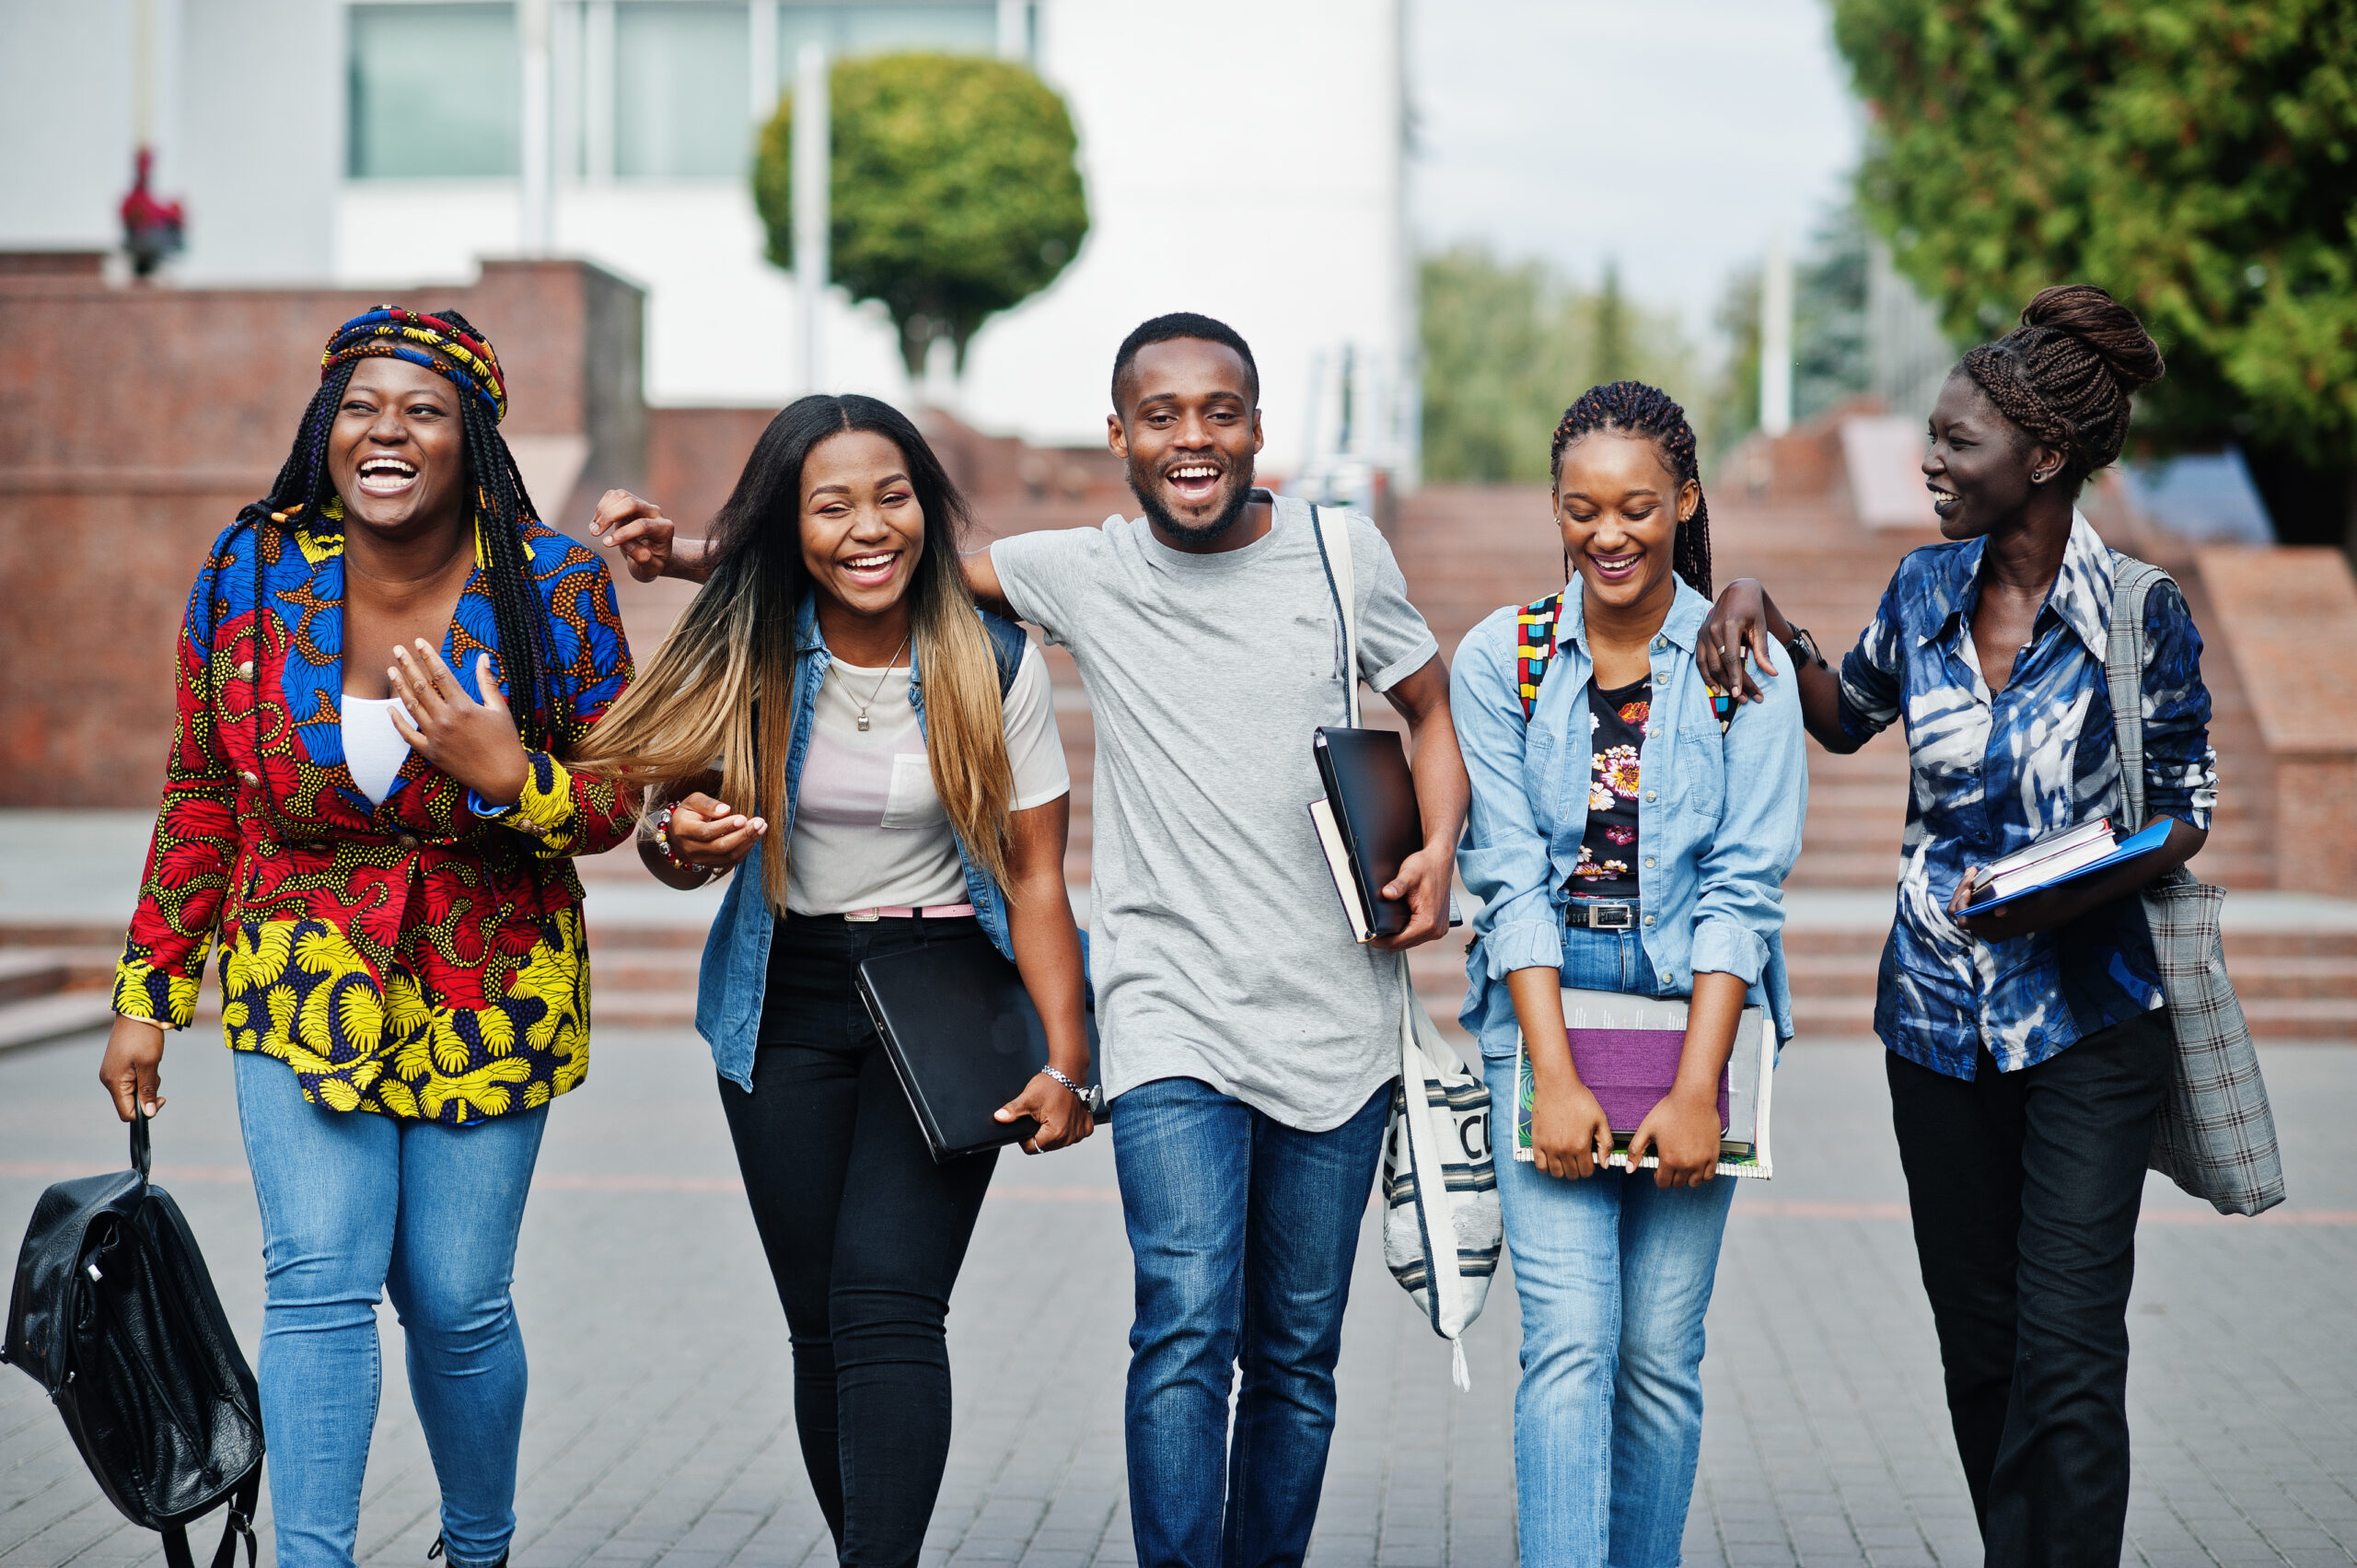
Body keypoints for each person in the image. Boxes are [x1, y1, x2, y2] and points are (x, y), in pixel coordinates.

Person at [97, 308, 637, 1568]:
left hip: (489, 981)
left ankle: (479, 1545)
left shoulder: (551, 585)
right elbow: (202, 789)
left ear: (474, 438)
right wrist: (150, 987)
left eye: (424, 409)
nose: (386, 431)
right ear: (325, 427)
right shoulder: (249, 567)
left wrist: (515, 773)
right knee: (319, 1283)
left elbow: (616, 798)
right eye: (360, 406)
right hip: (300, 973)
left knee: (455, 1303)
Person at [1697, 285, 2211, 1567]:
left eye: (1957, 441)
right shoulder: (1925, 586)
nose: (1931, 460)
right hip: (1935, 1021)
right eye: (1931, 435)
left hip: (2091, 1015)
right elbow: (1842, 712)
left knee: (2072, 1350)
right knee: (1980, 1343)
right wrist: (1756, 596)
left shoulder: (2139, 610)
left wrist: (2055, 886)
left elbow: (2186, 812)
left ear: (2043, 458)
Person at [972, 314, 1465, 1566]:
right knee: (1184, 1320)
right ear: (1120, 435)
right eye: (1163, 413)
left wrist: (1441, 843)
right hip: (1169, 1010)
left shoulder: (1338, 553)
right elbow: (883, 551)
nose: (1193, 436)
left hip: (1336, 1020)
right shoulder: (1085, 571)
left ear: (1256, 427)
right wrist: (697, 551)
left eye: (1221, 411)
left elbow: (1428, 704)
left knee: (1295, 1351)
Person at [573, 394, 1092, 1568]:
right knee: (820, 1330)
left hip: (945, 990)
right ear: (787, 525)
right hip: (786, 992)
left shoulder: (989, 655)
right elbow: (661, 829)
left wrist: (1070, 1059)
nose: (871, 526)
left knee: (887, 1307)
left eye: (894, 495)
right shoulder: (745, 644)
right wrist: (679, 844)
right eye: (833, 503)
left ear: (930, 508)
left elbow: (1039, 877)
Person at [1451, 382, 1805, 1565]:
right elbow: (1504, 878)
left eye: (1638, 508)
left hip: (1693, 1007)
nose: (1610, 534)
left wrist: (1696, 1088)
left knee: (1658, 1355)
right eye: (1583, 508)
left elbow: (1742, 890)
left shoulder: (1735, 660)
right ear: (1554, 508)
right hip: (1544, 1006)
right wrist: (1551, 1075)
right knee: (1566, 1341)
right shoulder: (1501, 657)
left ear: (1684, 501)